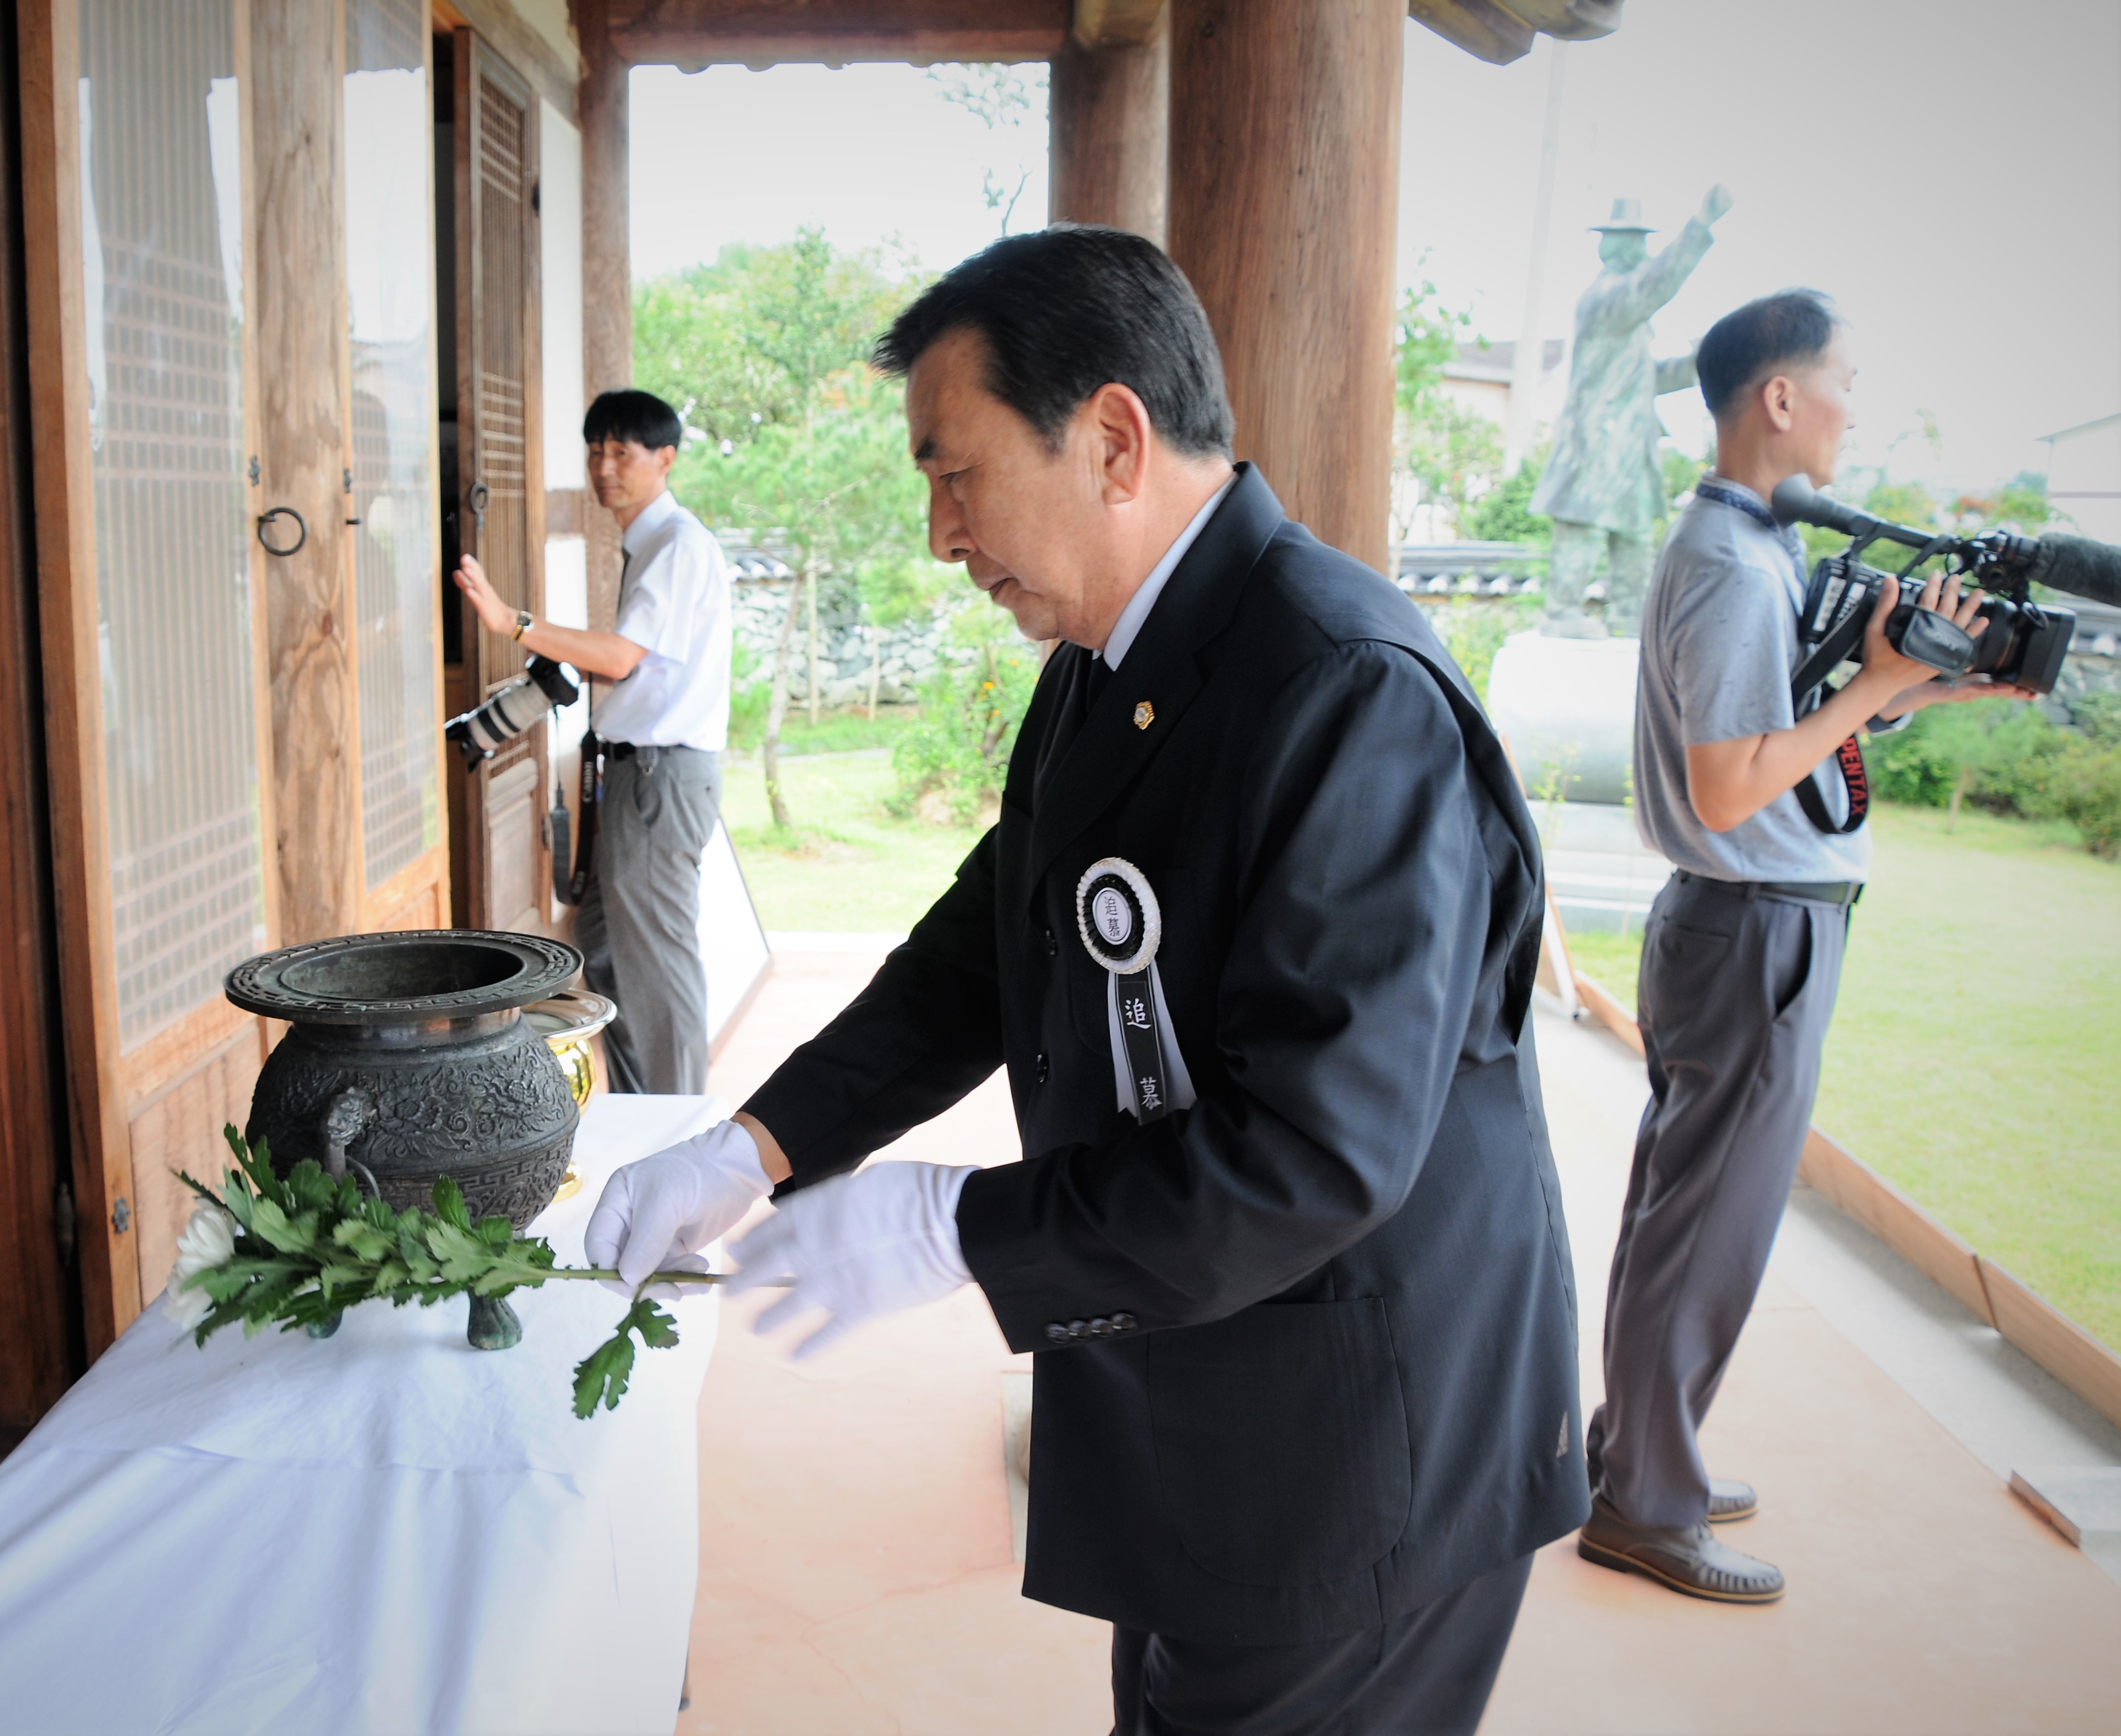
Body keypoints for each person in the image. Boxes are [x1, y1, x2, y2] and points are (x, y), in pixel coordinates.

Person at [585, 228, 1588, 1734]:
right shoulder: (1104, 663)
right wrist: (756, 1145)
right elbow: (981, 955)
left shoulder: (1341, 689)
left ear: (1111, 439)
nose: (939, 531)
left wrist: (957, 1229)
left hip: (1357, 1445)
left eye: (956, 471)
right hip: (1211, 1403)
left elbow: (1317, 1151)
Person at [1580, 290, 2008, 1603]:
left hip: (1737, 926)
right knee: (1707, 1224)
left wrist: (1926, 675)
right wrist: (1876, 685)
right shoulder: (1727, 559)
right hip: (1752, 928)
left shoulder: (1749, 544)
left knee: (1679, 1207)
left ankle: (1636, 1452)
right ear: (1777, 397)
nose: (1850, 406)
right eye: (1839, 380)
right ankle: (1643, 1502)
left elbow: (1777, 742)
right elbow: (1726, 787)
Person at [450, 388, 730, 1094]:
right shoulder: (653, 544)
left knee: (657, 970)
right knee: (604, 953)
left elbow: (620, 657)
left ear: (665, 458)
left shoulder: (676, 545)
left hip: (660, 779)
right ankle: (645, 1108)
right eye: (596, 450)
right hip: (638, 777)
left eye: (622, 451)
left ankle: (678, 1126)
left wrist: (512, 622)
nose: (606, 466)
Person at [1534, 189, 1731, 636]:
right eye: (1634, 241)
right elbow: (1658, 284)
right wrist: (1699, 223)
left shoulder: (1629, 316)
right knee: (1582, 525)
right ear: (1613, 244)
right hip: (1597, 440)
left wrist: (1698, 362)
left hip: (1631, 443)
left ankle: (1628, 616)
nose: (1642, 251)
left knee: (1634, 536)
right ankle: (1561, 612)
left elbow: (1648, 379)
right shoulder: (1606, 299)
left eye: (1643, 241)